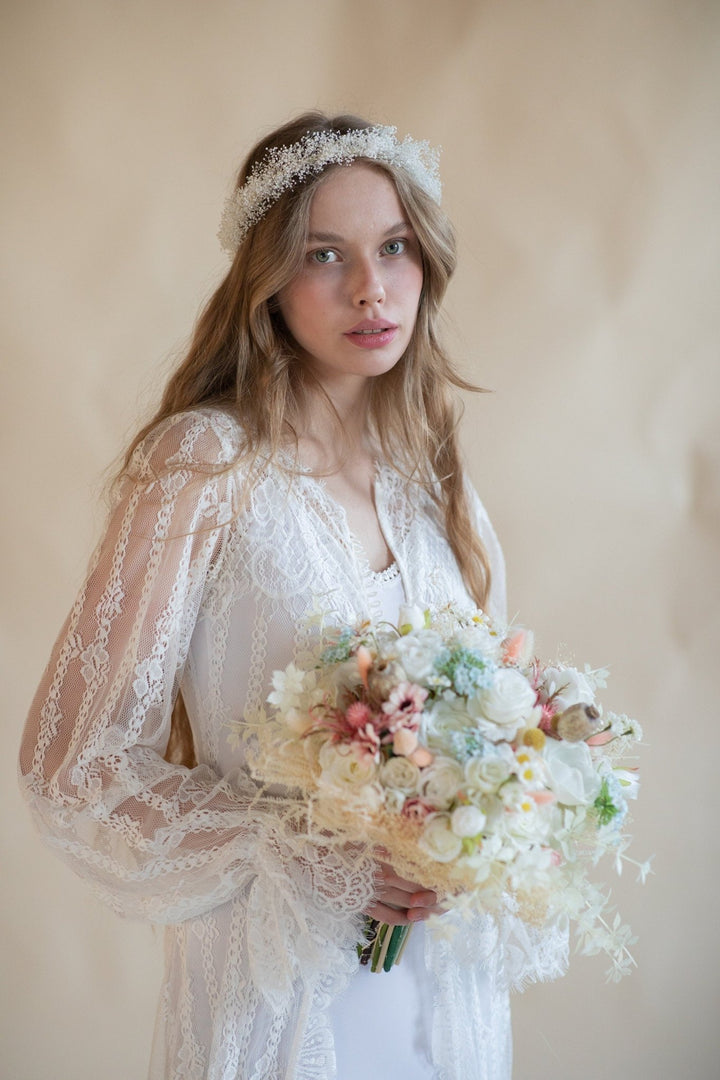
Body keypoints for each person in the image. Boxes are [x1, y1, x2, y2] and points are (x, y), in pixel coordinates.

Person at [19, 111, 567, 1080]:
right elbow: (74, 762)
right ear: (267, 283)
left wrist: (503, 808)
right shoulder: (204, 465)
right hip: (280, 1002)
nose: (370, 287)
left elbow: (489, 730)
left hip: (444, 1007)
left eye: (394, 247)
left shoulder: (439, 490)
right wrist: (300, 854)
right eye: (325, 255)